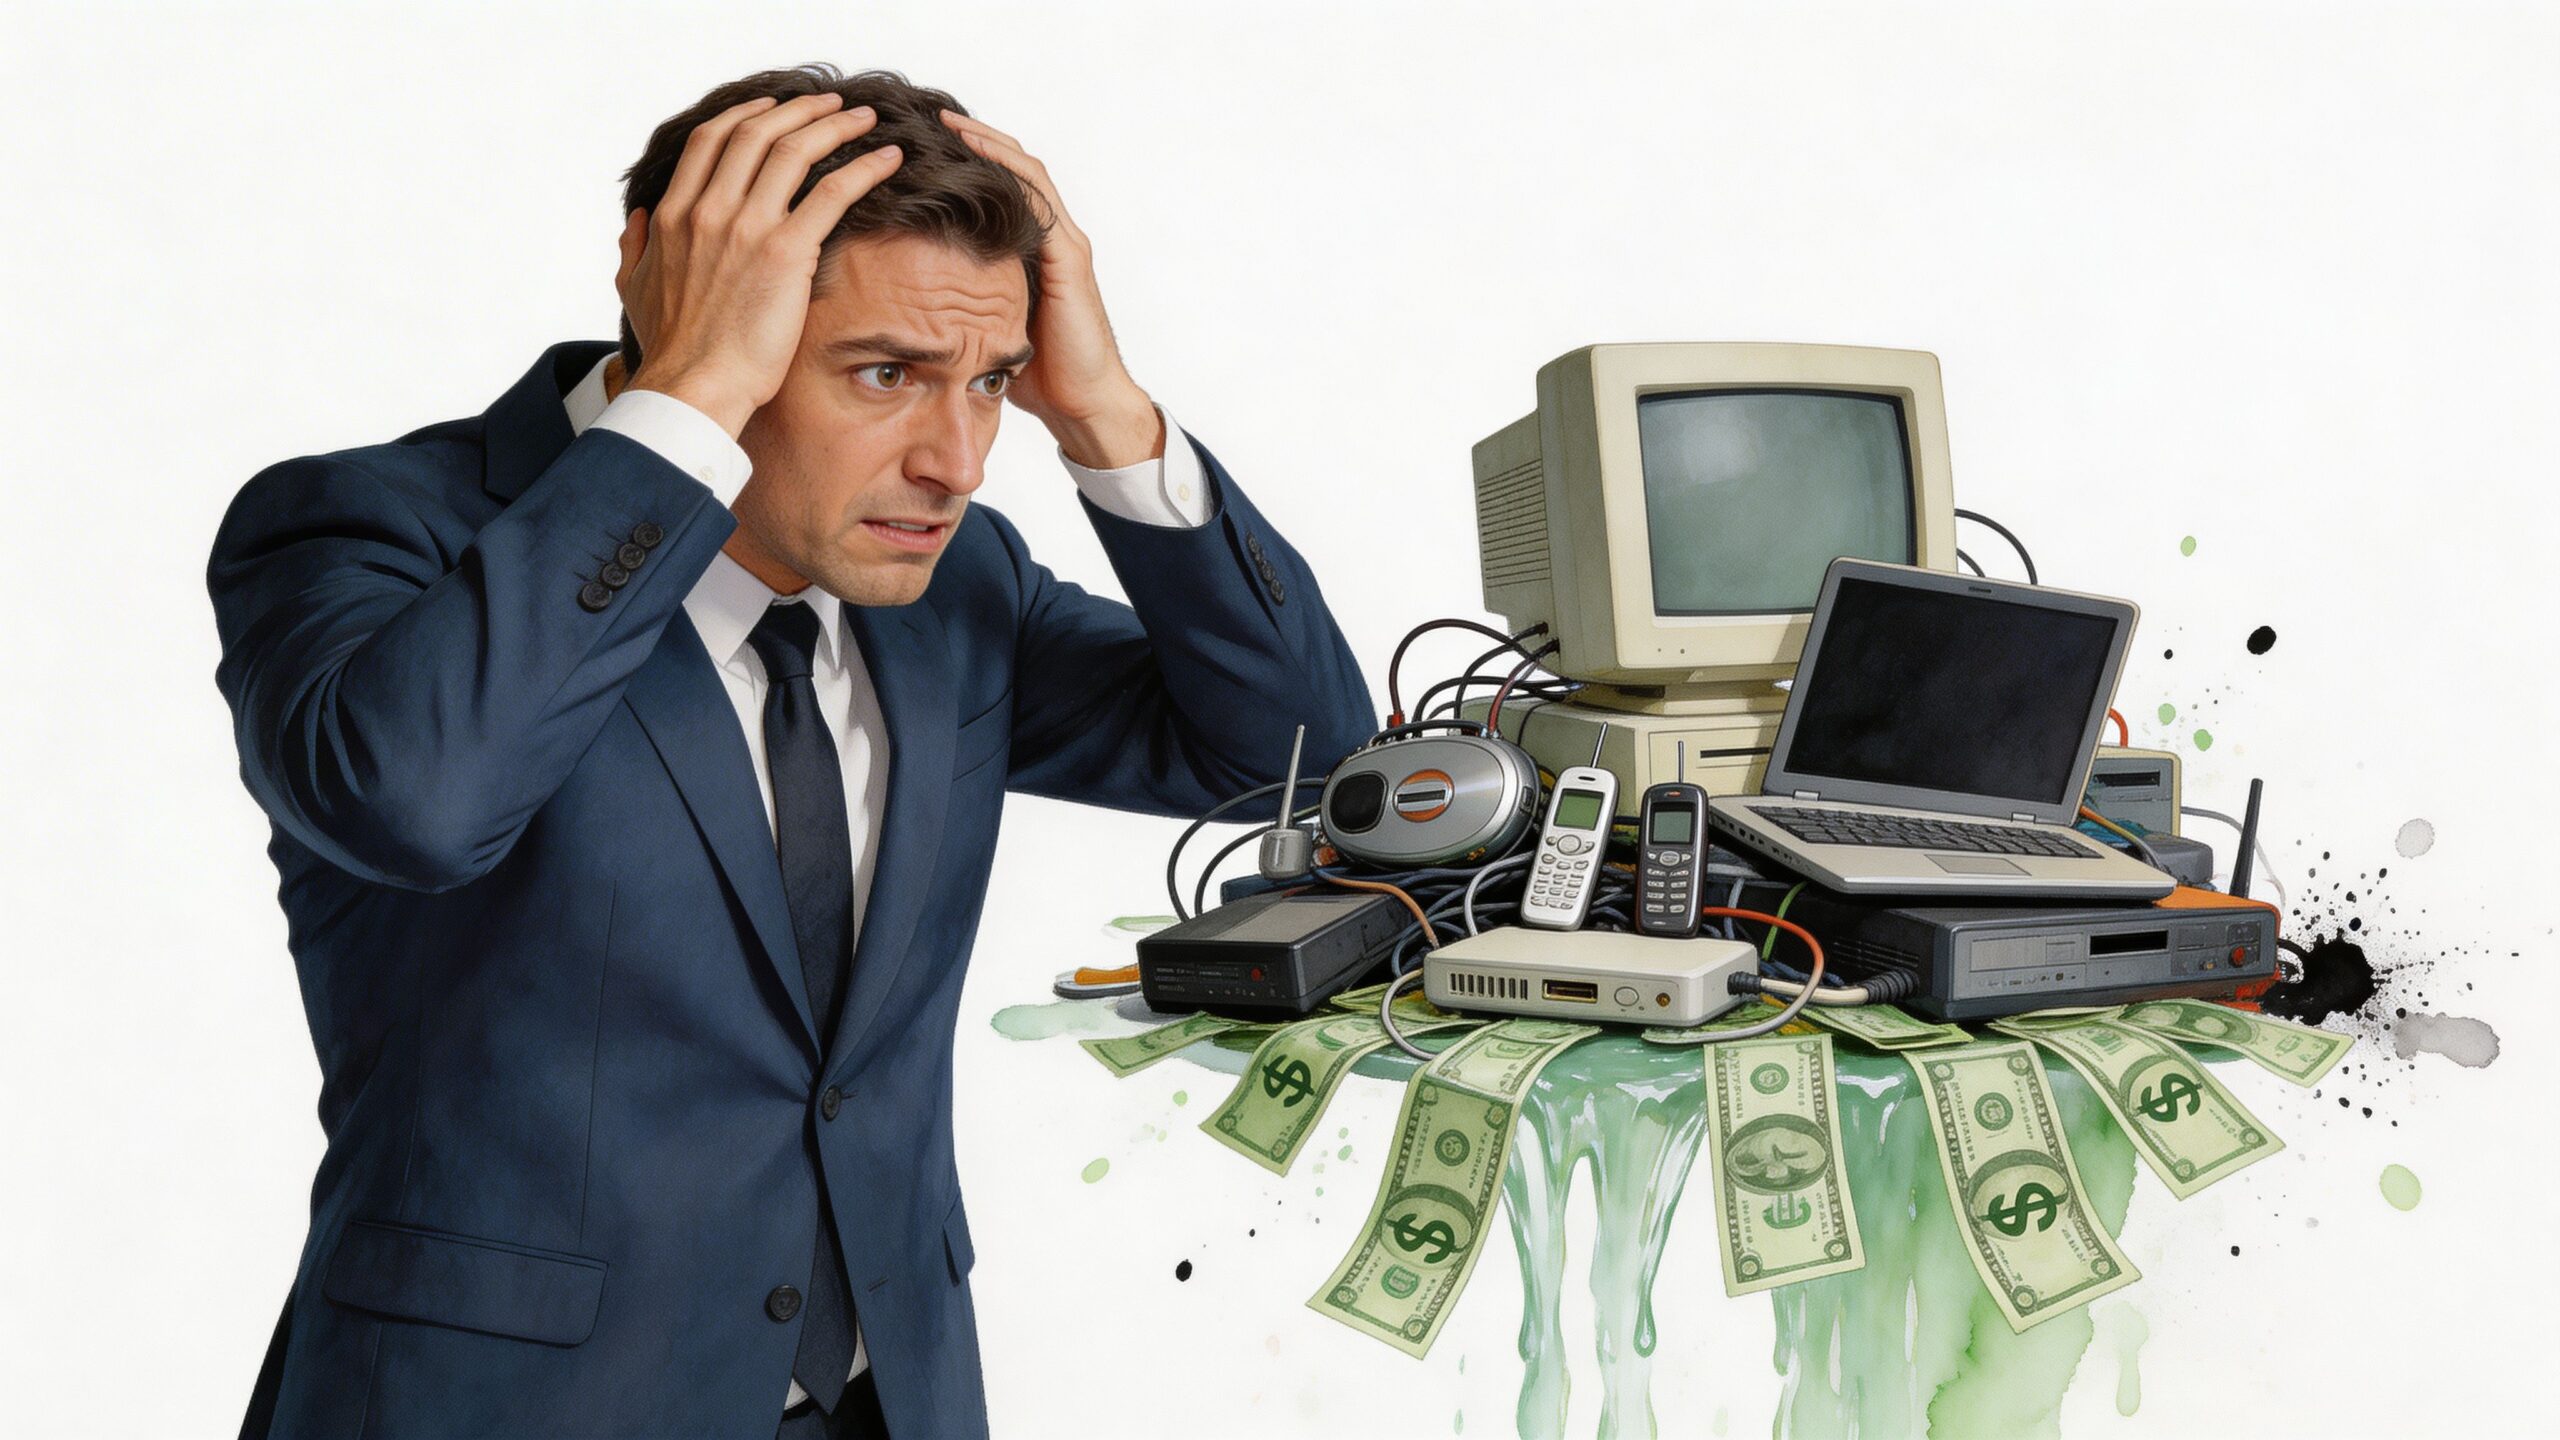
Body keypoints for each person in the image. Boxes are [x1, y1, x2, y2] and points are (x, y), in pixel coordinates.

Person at [206, 63, 1376, 1440]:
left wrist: (1104, 411)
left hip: (893, 1396)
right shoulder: (370, 530)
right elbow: (418, 806)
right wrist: (691, 394)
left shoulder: (957, 585)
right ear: (683, 297)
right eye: (885, 374)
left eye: (990, 381)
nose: (959, 462)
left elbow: (1303, 761)